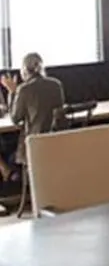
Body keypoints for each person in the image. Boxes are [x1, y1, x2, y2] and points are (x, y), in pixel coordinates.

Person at [0, 53, 65, 182]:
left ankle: (12, 175)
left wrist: (12, 92)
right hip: (56, 144)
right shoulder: (57, 85)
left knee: (7, 151)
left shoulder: (24, 89)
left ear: (24, 70)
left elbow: (15, 118)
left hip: (34, 148)